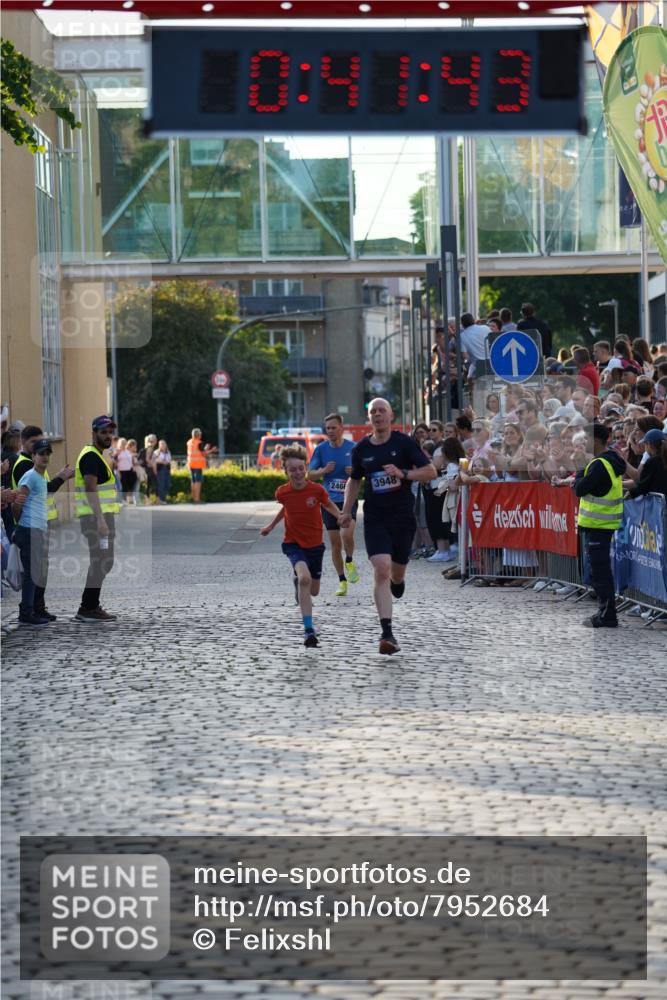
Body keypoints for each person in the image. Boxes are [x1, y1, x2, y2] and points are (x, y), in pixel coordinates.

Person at [340, 398, 436, 655]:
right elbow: (354, 481)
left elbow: (430, 472)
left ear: (391, 415)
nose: (378, 415)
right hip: (375, 517)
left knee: (396, 572)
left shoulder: (404, 443)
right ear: (368, 418)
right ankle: (387, 633)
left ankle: (398, 579)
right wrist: (347, 510)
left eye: (382, 410)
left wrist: (403, 474)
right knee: (381, 568)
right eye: (373, 412)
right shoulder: (361, 449)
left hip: (403, 517)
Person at [260, 444, 343, 648]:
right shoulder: (282, 492)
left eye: (300, 468)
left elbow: (328, 505)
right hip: (293, 544)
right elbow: (285, 510)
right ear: (285, 471)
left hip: (315, 545)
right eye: (292, 469)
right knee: (305, 578)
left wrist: (340, 516)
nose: (297, 473)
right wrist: (271, 525)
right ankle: (308, 630)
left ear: (305, 468)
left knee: (313, 590)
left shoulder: (316, 489)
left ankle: (299, 584)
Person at [574, 422, 626, 628]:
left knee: (600, 572)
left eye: (586, 439)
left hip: (598, 525)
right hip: (603, 524)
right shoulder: (610, 461)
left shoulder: (599, 465)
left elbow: (579, 489)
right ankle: (605, 612)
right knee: (601, 570)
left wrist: (579, 471)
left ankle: (607, 614)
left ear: (596, 440)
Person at [74, 415, 122, 622]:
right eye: (103, 432)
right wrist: (101, 520)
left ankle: (90, 605)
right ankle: (87, 608)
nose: (108, 436)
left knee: (104, 561)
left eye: (110, 432)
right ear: (94, 433)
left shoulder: (96, 455)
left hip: (100, 518)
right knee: (101, 561)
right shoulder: (91, 456)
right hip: (95, 519)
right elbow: (90, 489)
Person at [308, 413, 359, 597]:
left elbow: (365, 472)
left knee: (347, 534)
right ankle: (342, 581)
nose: (330, 431)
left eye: (333, 427)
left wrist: (355, 472)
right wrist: (323, 470)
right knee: (335, 544)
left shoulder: (353, 448)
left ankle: (350, 560)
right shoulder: (321, 449)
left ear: (341, 428)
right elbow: (310, 475)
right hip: (328, 502)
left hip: (348, 499)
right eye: (327, 428)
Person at [11, 438, 53, 626]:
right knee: (31, 573)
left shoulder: (41, 477)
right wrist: (22, 525)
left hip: (37, 529)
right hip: (29, 529)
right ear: (33, 456)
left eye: (47, 453)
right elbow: (17, 503)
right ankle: (26, 612)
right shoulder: (30, 476)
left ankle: (35, 609)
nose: (44, 457)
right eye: (40, 453)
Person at [626, 429, 667, 500]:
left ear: (650, 445)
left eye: (645, 444)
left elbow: (643, 485)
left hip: (660, 504)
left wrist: (631, 493)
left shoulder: (652, 462)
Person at [187, 428, 216, 504]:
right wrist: (212, 450)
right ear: (198, 435)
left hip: (191, 464)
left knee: (193, 481)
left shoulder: (189, 442)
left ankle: (193, 498)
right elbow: (204, 454)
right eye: (200, 434)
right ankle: (197, 499)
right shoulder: (199, 443)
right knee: (198, 482)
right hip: (198, 464)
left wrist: (205, 449)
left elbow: (199, 451)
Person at [154, 439, 172, 504]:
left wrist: (167, 462)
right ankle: (160, 499)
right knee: (161, 484)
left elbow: (169, 460)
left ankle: (163, 498)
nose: (163, 445)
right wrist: (162, 461)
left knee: (167, 484)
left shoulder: (168, 452)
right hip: (160, 469)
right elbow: (154, 460)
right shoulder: (156, 452)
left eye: (164, 444)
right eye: (161, 444)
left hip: (167, 468)